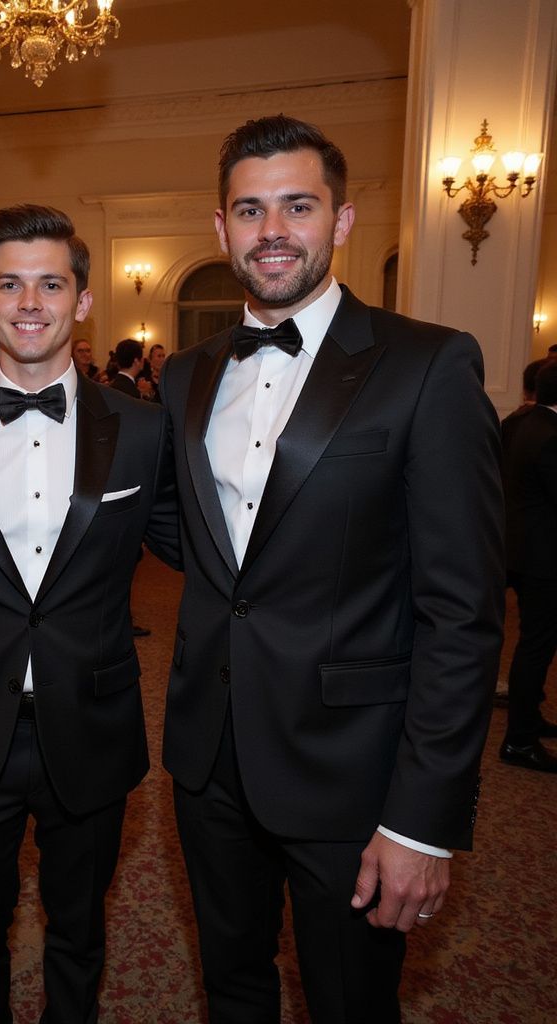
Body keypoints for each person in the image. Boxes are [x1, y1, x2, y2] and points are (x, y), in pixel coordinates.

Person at [159, 115, 504, 1023]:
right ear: (221, 226)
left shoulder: (427, 364)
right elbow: (167, 528)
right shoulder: (183, 375)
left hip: (352, 770)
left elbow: (462, 612)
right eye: (250, 209)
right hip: (209, 756)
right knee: (231, 985)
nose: (272, 230)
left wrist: (422, 818)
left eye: (298, 206)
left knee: (352, 1000)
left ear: (341, 220)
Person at [0, 204, 178, 1024]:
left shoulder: (145, 430)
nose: (30, 303)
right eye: (10, 283)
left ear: (83, 301)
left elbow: (193, 539)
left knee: (79, 930)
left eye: (51, 283)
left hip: (91, 719)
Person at [499, 358, 557, 772]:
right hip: (543, 559)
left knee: (524, 644)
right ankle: (520, 740)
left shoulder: (519, 423)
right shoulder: (552, 436)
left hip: (512, 547)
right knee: (535, 647)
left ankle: (529, 719)